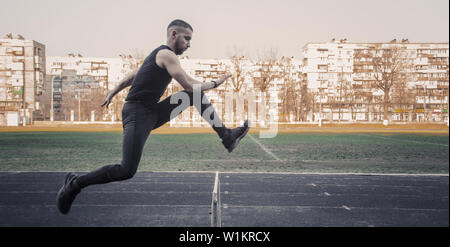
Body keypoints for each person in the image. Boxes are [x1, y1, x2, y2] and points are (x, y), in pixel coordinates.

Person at [56, 19, 249, 215]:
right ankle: (74, 184)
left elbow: (133, 75)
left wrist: (113, 90)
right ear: (173, 34)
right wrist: (216, 82)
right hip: (137, 113)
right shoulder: (166, 54)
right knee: (126, 170)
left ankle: (227, 136)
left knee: (195, 96)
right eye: (187, 38)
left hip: (152, 111)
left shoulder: (157, 55)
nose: (189, 44)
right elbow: (190, 85)